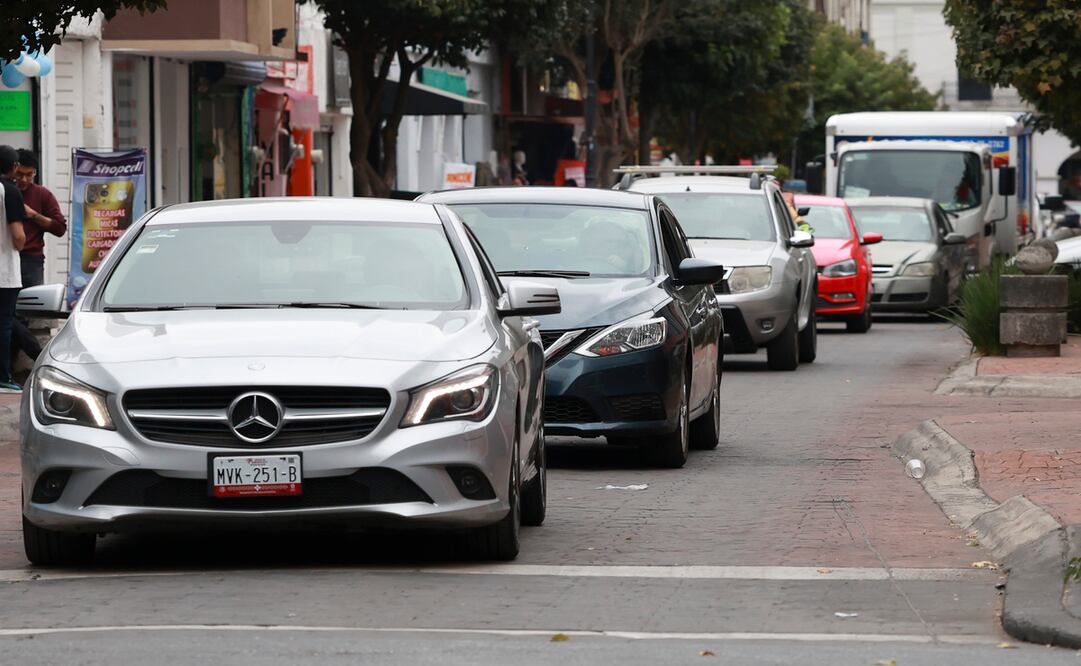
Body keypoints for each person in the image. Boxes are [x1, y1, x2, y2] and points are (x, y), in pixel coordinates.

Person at [12, 149, 65, 365]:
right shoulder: (4, 190)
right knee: (9, 315)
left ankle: (14, 368)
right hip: (7, 258)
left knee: (22, 315)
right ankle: (36, 356)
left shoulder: (42, 194)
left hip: (31, 260)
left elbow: (60, 227)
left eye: (29, 175)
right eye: (20, 174)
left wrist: (33, 214)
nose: (24, 179)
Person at [0, 146, 27, 392]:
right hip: (4, 272)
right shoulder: (10, 192)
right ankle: (3, 376)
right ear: (14, 167)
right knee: (4, 324)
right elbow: (18, 238)